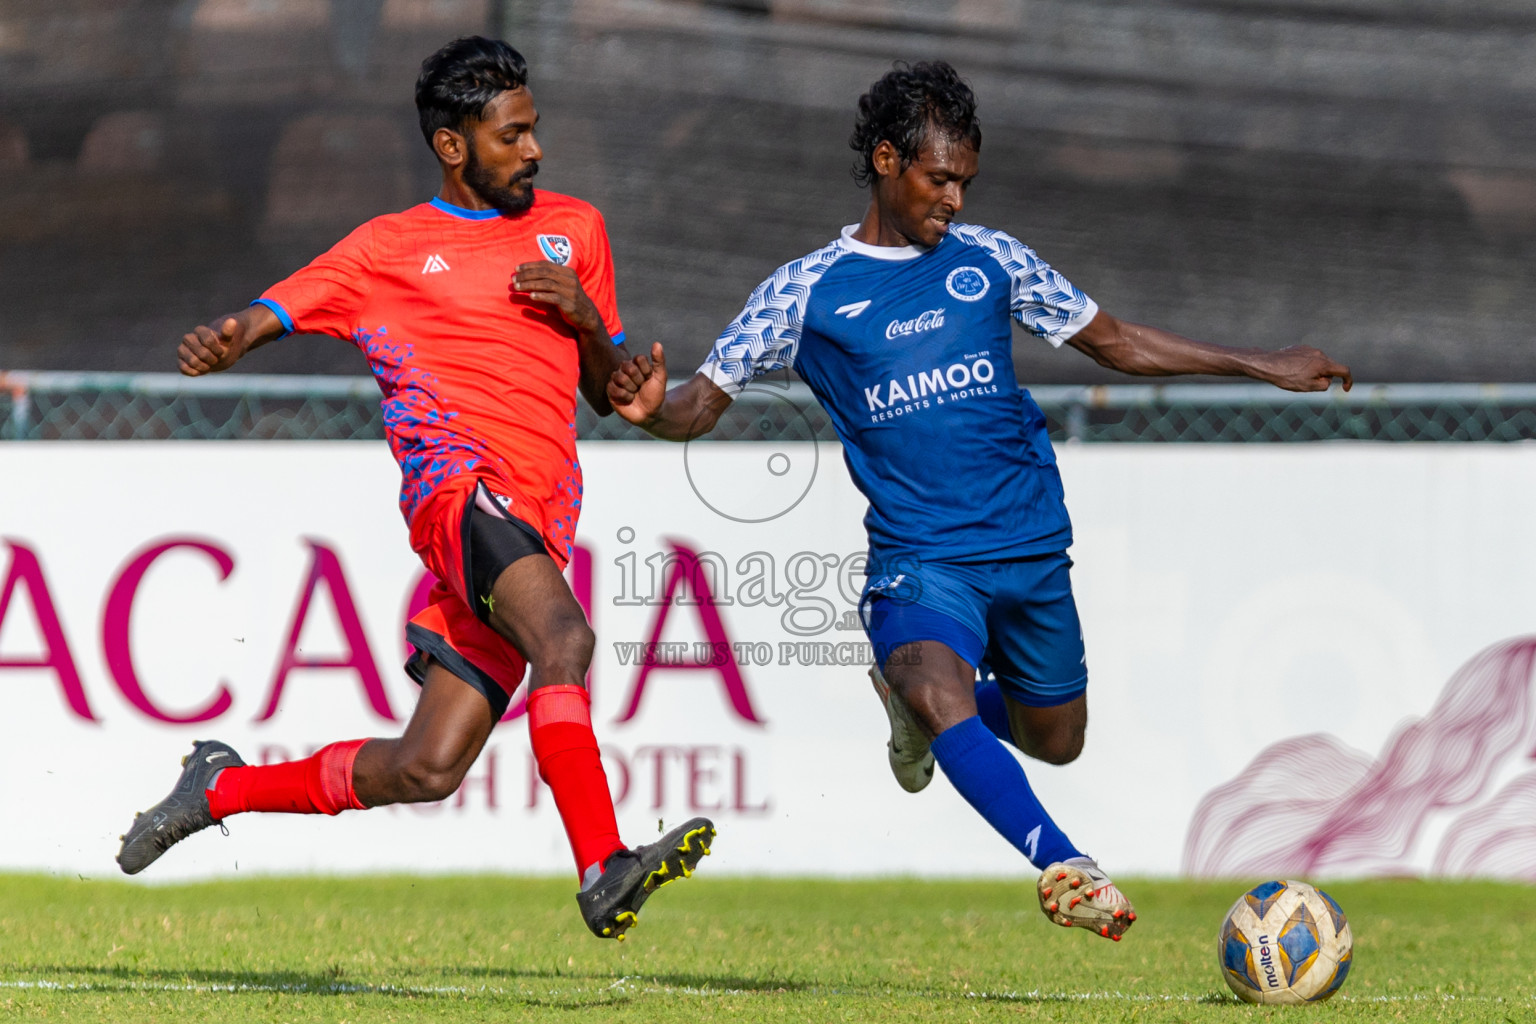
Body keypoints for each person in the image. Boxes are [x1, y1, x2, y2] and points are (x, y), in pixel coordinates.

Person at [605, 61, 1351, 941]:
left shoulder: (990, 261)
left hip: (1030, 544)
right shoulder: (803, 293)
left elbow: (1115, 344)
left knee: (1058, 736)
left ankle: (913, 712)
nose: (954, 198)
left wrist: (1261, 363)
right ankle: (1063, 862)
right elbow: (701, 402)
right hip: (922, 556)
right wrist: (657, 413)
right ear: (886, 161)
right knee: (933, 678)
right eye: (939, 177)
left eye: (965, 180)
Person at [116, 36, 714, 942]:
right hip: (458, 493)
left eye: (534, 129)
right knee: (566, 635)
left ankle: (218, 786)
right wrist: (229, 335)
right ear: (453, 145)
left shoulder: (576, 230)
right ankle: (603, 861)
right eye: (511, 135)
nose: (533, 149)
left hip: (538, 515)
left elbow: (606, 390)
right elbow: (275, 310)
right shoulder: (389, 249)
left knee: (427, 768)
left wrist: (595, 329)